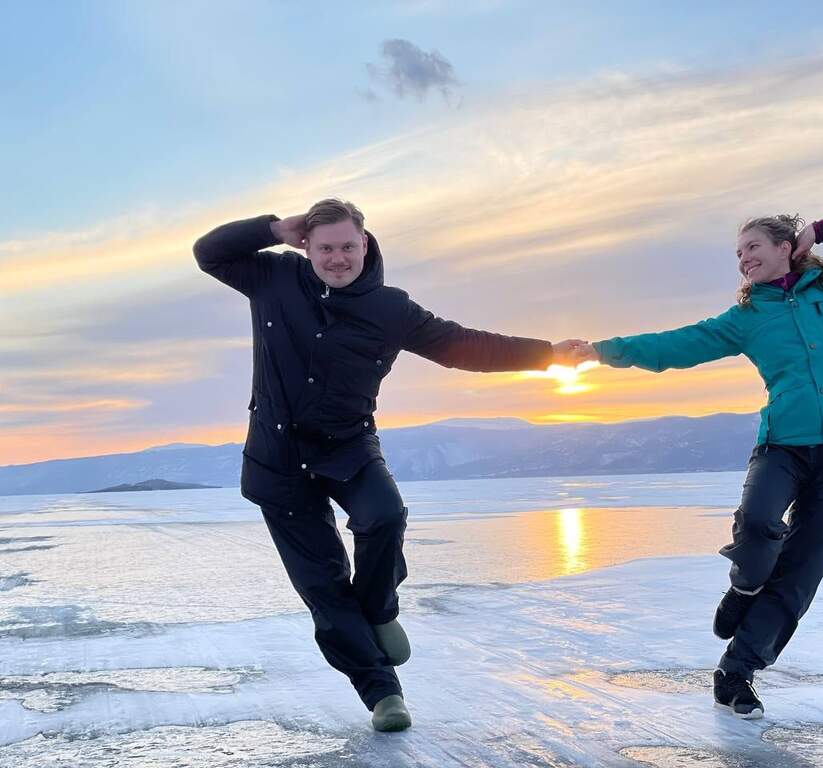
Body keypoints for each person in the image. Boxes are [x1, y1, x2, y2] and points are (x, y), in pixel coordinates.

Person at [194, 198, 584, 731]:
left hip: (348, 444)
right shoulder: (272, 275)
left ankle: (378, 607)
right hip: (278, 459)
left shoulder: (390, 308)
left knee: (385, 516)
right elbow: (208, 253)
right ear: (306, 245)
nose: (337, 258)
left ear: (365, 242)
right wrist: (270, 229)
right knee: (325, 588)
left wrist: (546, 354)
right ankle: (382, 694)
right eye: (325, 247)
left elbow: (463, 346)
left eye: (347, 246)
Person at [571, 213, 823, 719]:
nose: (743, 259)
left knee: (801, 571)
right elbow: (678, 344)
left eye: (752, 247)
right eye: (738, 254)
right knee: (759, 525)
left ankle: (736, 671)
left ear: (788, 246)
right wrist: (601, 351)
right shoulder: (745, 319)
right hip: (784, 445)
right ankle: (744, 584)